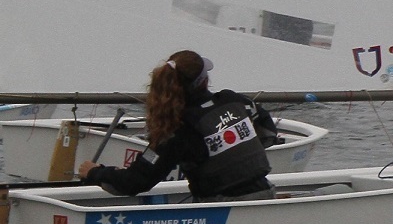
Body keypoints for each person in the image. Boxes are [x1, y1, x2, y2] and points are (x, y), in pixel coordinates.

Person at [79, 50, 280, 201]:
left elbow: (135, 181)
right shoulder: (234, 100)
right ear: (204, 80)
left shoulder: (177, 130)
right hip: (266, 196)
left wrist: (95, 172)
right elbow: (268, 133)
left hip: (219, 209)